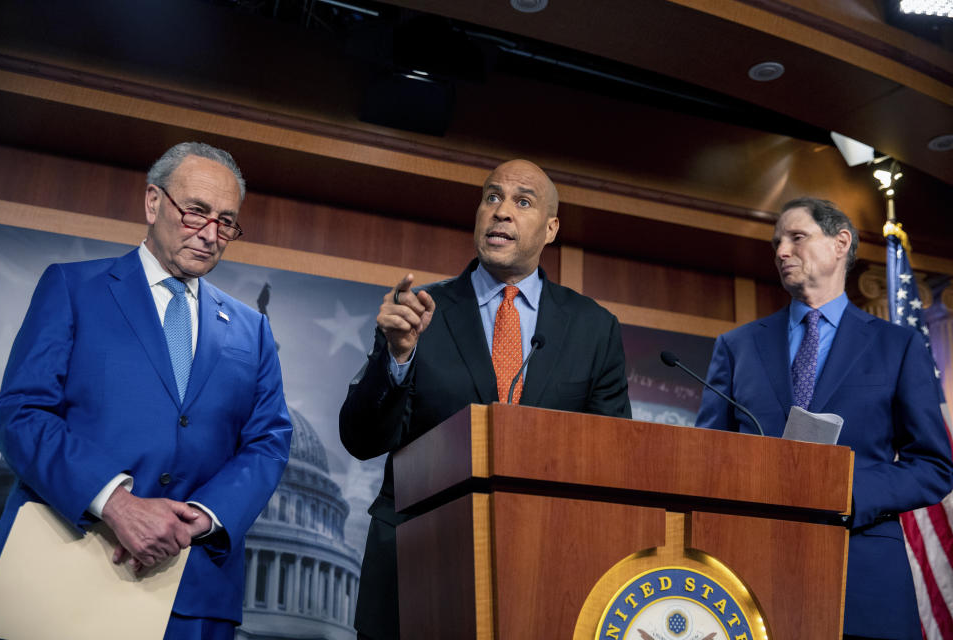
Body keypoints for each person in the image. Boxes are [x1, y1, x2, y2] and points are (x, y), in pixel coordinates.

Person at [0, 142, 293, 639]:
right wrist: (115, 502)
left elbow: (268, 441)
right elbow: (22, 413)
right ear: (153, 203)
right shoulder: (71, 288)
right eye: (196, 212)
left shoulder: (252, 330)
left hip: (193, 588)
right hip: (66, 567)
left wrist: (199, 517)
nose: (210, 234)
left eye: (226, 221)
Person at [339, 159, 632, 639]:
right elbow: (361, 439)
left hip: (543, 573)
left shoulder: (593, 328)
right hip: (417, 566)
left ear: (551, 228)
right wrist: (397, 356)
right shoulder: (418, 313)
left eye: (522, 201)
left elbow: (612, 462)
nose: (501, 212)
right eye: (492, 197)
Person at [695, 197, 953, 640]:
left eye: (796, 237)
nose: (780, 251)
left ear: (840, 243)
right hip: (751, 576)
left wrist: (845, 492)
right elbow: (706, 456)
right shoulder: (737, 346)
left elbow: (933, 465)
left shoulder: (899, 346)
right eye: (777, 242)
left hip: (865, 578)